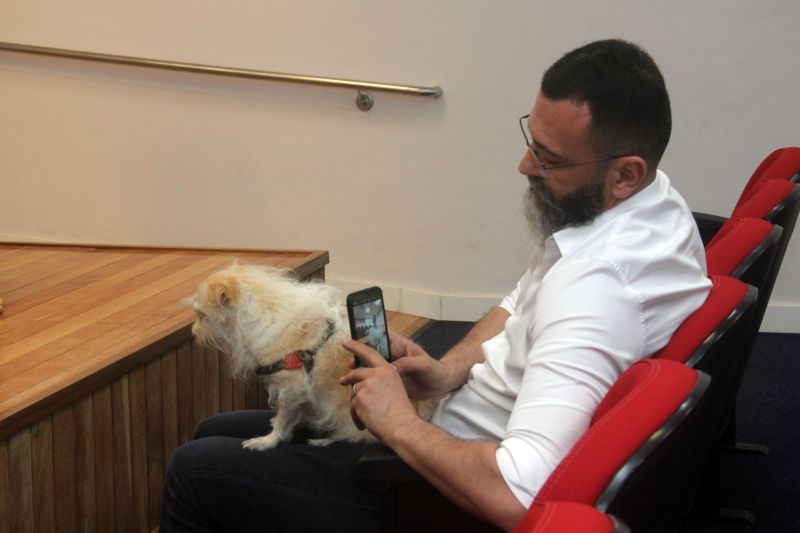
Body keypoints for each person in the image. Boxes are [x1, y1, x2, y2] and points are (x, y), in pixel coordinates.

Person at [160, 39, 710, 532]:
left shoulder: (597, 288)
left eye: (549, 160)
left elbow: (520, 493)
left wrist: (399, 424)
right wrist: (447, 371)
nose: (524, 165)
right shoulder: (651, 206)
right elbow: (515, 306)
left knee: (194, 469)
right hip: (448, 427)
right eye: (531, 141)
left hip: (433, 493)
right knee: (216, 429)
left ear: (625, 173)